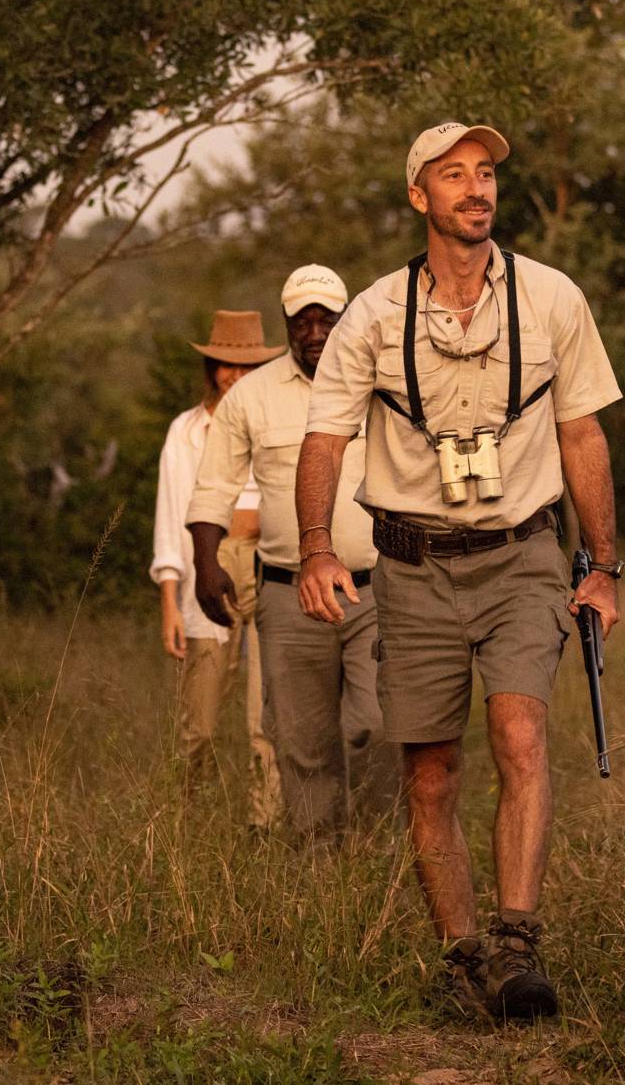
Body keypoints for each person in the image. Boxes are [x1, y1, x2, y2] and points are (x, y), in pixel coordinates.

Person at [293, 122, 625, 1022]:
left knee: (521, 737)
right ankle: (461, 956)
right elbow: (324, 438)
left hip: (523, 554)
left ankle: (519, 949)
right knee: (432, 772)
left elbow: (583, 431)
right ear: (419, 196)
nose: (476, 189)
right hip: (411, 563)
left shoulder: (554, 298)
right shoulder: (370, 314)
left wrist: (602, 568)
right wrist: (317, 546)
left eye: (485, 175)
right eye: (454, 176)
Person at [186, 265, 398, 838]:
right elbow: (212, 488)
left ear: (345, 318)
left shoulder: (380, 385)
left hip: (374, 588)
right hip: (286, 595)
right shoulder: (251, 396)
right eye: (302, 320)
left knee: (377, 725)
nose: (314, 331)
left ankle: (381, 849)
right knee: (302, 741)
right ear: (286, 324)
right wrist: (207, 567)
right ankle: (319, 866)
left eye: (325, 318)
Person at [150, 309, 284, 829]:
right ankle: (190, 816)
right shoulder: (186, 432)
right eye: (225, 364)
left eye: (245, 366)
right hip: (209, 562)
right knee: (199, 720)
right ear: (211, 367)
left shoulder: (275, 420)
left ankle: (265, 824)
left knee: (265, 715)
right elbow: (171, 516)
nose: (234, 375)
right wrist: (170, 601)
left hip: (267, 556)